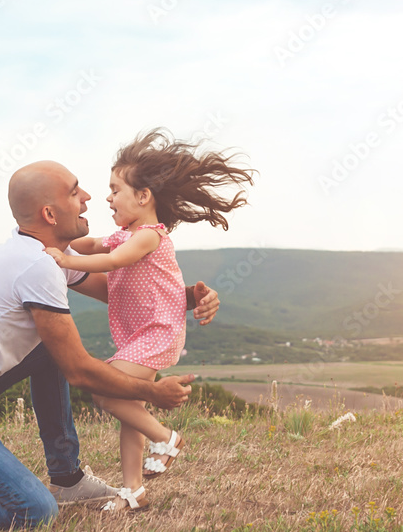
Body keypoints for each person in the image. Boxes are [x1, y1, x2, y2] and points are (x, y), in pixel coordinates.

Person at [0, 160, 220, 529]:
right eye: (75, 191)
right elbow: (80, 372)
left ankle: (67, 478)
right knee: (34, 512)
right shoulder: (37, 267)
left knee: (51, 350)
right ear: (50, 214)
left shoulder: (40, 253)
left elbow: (122, 294)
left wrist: (190, 299)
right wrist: (152, 391)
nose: (88, 199)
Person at [45, 130, 255, 512]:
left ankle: (166, 437)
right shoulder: (125, 234)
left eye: (114, 189)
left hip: (158, 333)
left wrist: (65, 260)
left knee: (105, 391)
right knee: (129, 406)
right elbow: (93, 245)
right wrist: (57, 240)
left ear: (143, 197)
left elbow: (111, 261)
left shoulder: (148, 237)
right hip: (142, 334)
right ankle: (133, 490)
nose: (107, 197)